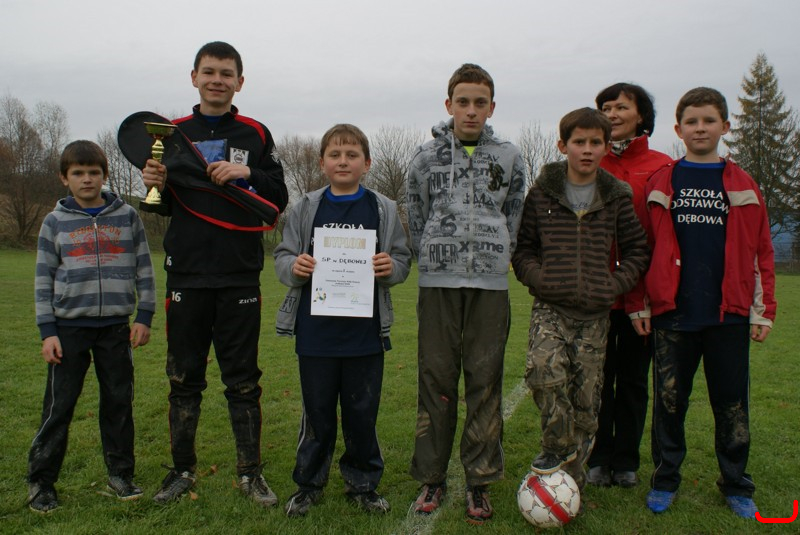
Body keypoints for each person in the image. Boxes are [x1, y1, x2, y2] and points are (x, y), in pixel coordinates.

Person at [141, 41, 288, 506]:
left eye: (226, 73)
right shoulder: (172, 133)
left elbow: (278, 194)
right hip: (186, 272)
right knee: (184, 378)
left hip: (239, 273)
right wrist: (155, 186)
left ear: (239, 82)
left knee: (242, 379)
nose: (217, 80)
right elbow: (166, 206)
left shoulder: (255, 133)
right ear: (194, 77)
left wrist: (245, 175)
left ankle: (250, 474)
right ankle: (181, 471)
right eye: (209, 72)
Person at [637, 87, 776, 519]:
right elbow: (643, 248)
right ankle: (665, 480)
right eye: (692, 122)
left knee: (732, 405)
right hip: (672, 314)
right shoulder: (662, 182)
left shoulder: (744, 184)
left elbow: (761, 251)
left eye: (709, 120)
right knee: (669, 403)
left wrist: (763, 310)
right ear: (678, 129)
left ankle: (736, 484)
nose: (700, 128)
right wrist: (640, 303)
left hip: (728, 315)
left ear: (725, 126)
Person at [406, 63, 526, 524]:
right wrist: (434, 254)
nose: (471, 110)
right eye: (463, 102)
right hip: (439, 284)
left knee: (485, 380)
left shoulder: (510, 156)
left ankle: (479, 481)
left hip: (489, 286)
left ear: (491, 107)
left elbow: (514, 213)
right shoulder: (425, 157)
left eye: (480, 102)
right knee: (435, 380)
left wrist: (497, 255)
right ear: (449, 105)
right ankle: (432, 478)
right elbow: (416, 213)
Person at [274, 124, 411, 517]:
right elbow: (283, 256)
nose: (343, 161)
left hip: (365, 335)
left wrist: (390, 268)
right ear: (322, 163)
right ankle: (309, 484)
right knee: (316, 414)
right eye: (335, 155)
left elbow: (402, 260)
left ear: (367, 163)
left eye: (352, 155)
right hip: (315, 334)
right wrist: (295, 267)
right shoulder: (305, 208)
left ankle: (363, 484)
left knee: (361, 414)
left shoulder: (383, 208)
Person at [511, 108, 649, 493]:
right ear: (563, 145)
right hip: (550, 308)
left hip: (594, 313)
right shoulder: (542, 194)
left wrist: (612, 285)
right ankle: (555, 445)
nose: (586, 150)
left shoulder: (615, 196)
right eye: (578, 142)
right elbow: (523, 251)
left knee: (586, 398)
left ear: (606, 147)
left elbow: (637, 250)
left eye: (595, 143)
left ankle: (571, 479)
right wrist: (541, 279)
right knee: (543, 372)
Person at [27, 140, 156, 513]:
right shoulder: (55, 222)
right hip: (68, 329)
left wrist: (144, 316)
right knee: (59, 407)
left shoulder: (127, 216)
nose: (87, 179)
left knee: (118, 403)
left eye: (94, 172)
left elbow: (144, 268)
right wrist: (47, 332)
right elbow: (43, 278)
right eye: (78, 173)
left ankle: (121, 474)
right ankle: (41, 482)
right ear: (64, 178)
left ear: (104, 175)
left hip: (116, 328)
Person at [587, 83, 673, 489]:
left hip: (643, 297)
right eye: (606, 107)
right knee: (597, 379)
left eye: (622, 107)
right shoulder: (590, 162)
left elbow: (663, 236)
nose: (613, 114)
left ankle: (626, 460)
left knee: (635, 381)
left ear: (641, 116)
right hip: (597, 295)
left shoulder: (662, 167)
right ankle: (597, 457)